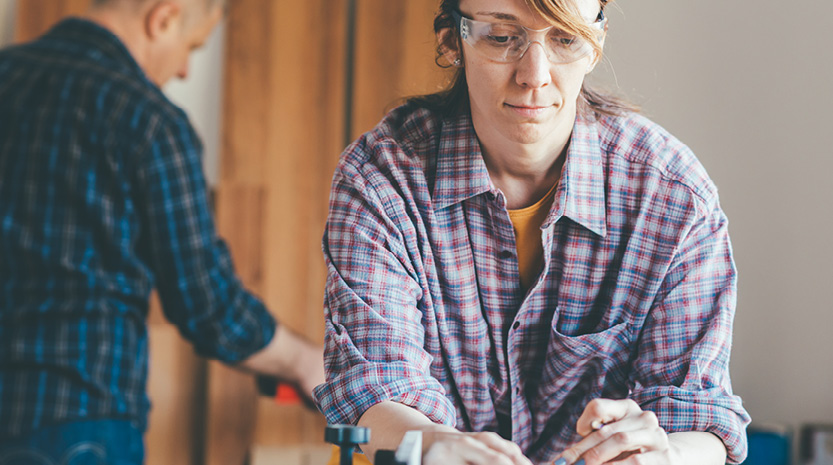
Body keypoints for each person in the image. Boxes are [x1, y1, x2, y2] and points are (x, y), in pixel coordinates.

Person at [314, 0, 750, 464]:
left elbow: (701, 418)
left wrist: (664, 455)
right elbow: (373, 386)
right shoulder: (382, 178)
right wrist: (431, 443)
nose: (534, 76)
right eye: (502, 38)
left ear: (595, 42)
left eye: (564, 38)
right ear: (452, 40)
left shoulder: (673, 196)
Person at [0, 0, 325, 462]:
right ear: (163, 18)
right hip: (76, 422)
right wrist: (302, 361)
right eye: (192, 47)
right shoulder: (148, 121)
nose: (187, 70)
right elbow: (207, 303)